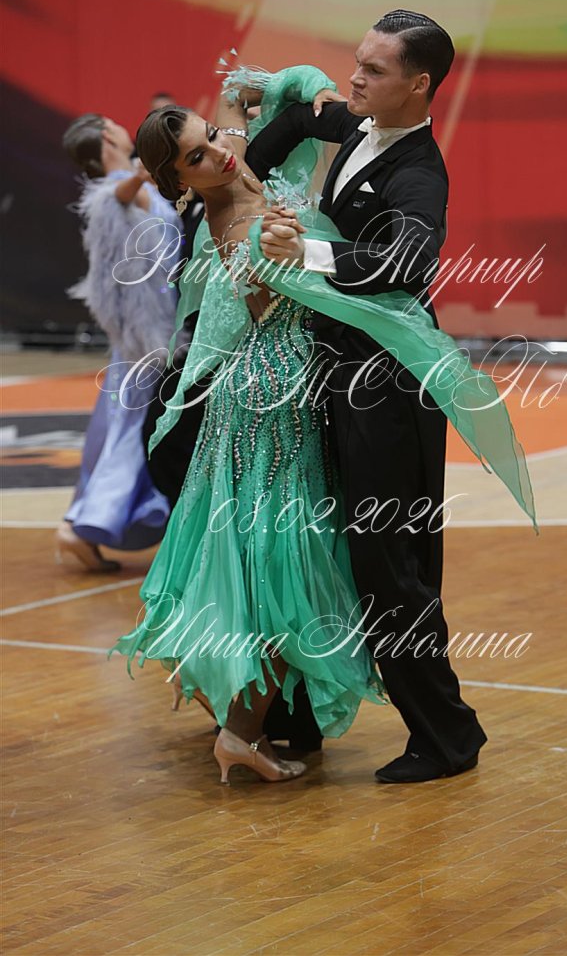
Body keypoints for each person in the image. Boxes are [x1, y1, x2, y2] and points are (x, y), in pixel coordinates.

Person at [109, 66, 535, 787]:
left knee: (288, 559)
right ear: (180, 182)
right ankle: (244, 725)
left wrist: (302, 86)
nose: (218, 153)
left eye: (212, 136)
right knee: (287, 565)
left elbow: (280, 98)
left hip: (302, 393)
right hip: (273, 402)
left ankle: (255, 721)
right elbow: (277, 306)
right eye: (195, 157)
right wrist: (280, 257)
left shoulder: (253, 168)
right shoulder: (233, 224)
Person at [242, 11, 496, 782]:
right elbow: (297, 118)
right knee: (313, 546)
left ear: (418, 85)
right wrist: (250, 175)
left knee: (388, 562)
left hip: (387, 386)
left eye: (374, 70)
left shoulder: (420, 172)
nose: (355, 78)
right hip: (333, 373)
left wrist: (309, 251)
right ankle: (295, 720)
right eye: (357, 61)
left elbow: (409, 260)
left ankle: (447, 736)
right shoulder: (355, 123)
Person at [56, 114, 181, 570]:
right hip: (147, 339)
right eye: (116, 125)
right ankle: (85, 524)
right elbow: (116, 199)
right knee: (133, 430)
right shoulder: (115, 190)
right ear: (110, 137)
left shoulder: (130, 185)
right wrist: (140, 177)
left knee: (115, 428)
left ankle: (81, 522)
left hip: (144, 335)